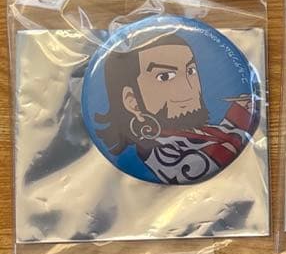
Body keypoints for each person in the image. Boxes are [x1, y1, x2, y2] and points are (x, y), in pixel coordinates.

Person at [92, 28, 257, 184]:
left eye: (190, 71)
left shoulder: (192, 130)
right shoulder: (159, 151)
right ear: (132, 101)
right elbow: (203, 163)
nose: (188, 88)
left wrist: (241, 110)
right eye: (165, 77)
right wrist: (240, 119)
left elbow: (223, 135)